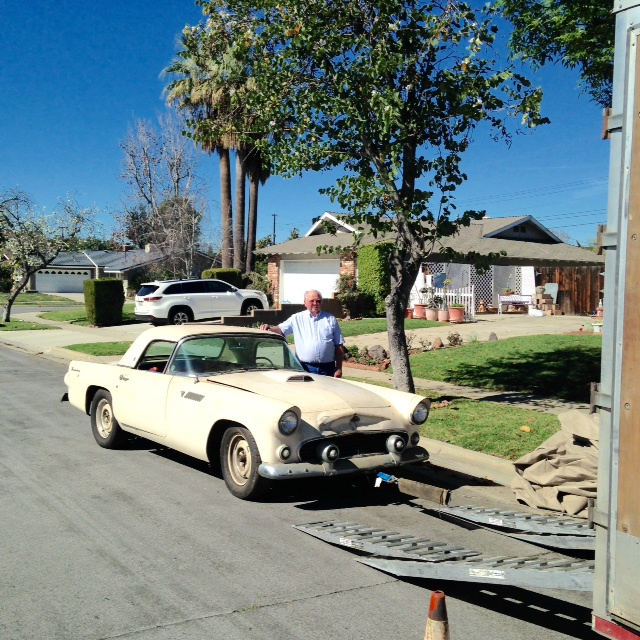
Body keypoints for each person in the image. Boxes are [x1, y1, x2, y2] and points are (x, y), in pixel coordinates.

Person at [260, 289, 345, 377]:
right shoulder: (297, 318)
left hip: (328, 369)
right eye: (312, 301)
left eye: (318, 301)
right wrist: (269, 328)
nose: (315, 303)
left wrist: (339, 368)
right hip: (305, 368)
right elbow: (281, 330)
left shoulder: (330, 319)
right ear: (305, 303)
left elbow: (339, 344)